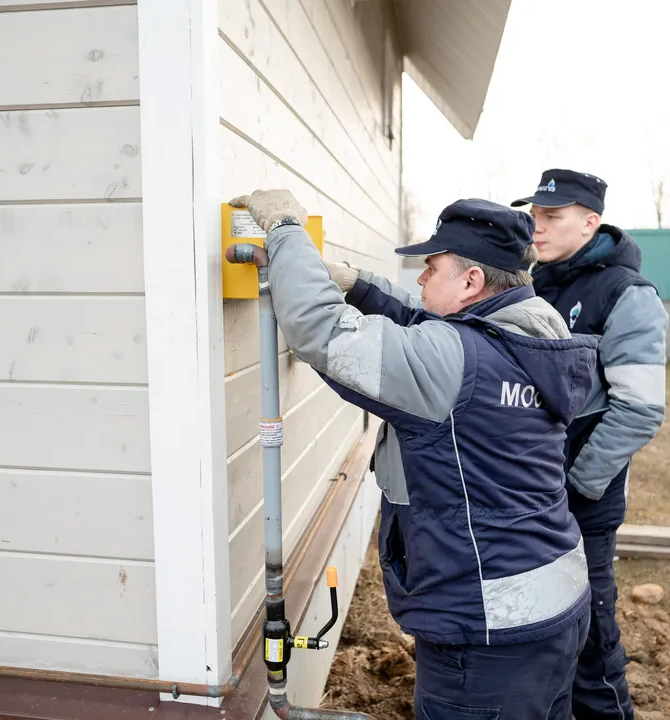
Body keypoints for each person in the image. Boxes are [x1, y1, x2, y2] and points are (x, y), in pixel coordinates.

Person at [229, 189, 598, 720]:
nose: (420, 281)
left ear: (472, 281)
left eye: (432, 268)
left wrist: (287, 231)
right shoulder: (536, 335)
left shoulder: (457, 361)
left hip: (485, 630)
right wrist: (354, 282)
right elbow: (426, 327)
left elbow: (322, 331)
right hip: (555, 603)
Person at [510, 170, 669, 720]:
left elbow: (640, 410)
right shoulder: (539, 283)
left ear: (590, 221)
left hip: (580, 501)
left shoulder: (626, 294)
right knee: (544, 626)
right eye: (534, 215)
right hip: (532, 495)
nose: (538, 226)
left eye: (552, 217)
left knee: (592, 636)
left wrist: (577, 485)